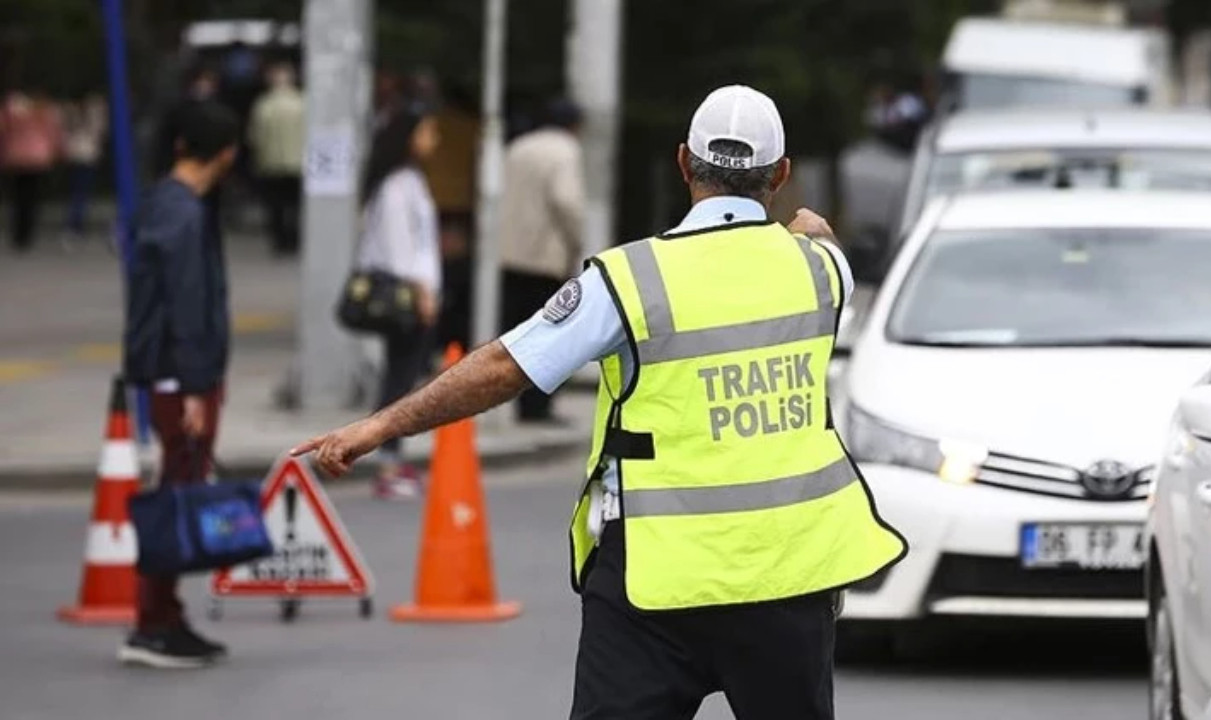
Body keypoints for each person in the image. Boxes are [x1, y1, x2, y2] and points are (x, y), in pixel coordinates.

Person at [294, 85, 907, 719]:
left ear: (681, 163)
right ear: (781, 174)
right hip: (789, 577)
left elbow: (507, 365)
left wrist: (381, 424)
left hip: (654, 581)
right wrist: (807, 229)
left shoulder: (628, 280)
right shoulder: (822, 271)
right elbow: (820, 235)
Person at [120, 102, 240, 668]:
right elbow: (187, 306)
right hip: (180, 378)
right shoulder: (185, 214)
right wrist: (195, 387)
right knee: (177, 493)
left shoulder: (162, 202)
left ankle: (165, 616)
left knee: (178, 486)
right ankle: (153, 623)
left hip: (169, 372)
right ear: (226, 154)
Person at [354, 106, 444, 499]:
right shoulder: (397, 185)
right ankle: (387, 460)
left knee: (403, 374)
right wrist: (422, 292)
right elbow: (400, 248)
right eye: (428, 132)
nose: (434, 141)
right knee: (399, 378)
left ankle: (392, 455)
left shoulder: (408, 180)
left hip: (414, 292)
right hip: (406, 295)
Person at [497, 97, 585, 424]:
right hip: (545, 256)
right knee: (549, 334)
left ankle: (519, 403)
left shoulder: (518, 147)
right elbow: (566, 199)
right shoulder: (565, 151)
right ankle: (538, 407)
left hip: (509, 253)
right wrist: (576, 241)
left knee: (516, 333)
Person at [248, 61, 305, 256]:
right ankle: (294, 239)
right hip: (298, 162)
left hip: (271, 163)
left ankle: (280, 240)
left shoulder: (264, 105)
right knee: (295, 204)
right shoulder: (302, 103)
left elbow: (255, 136)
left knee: (276, 205)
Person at [0, 87, 63, 252]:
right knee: (31, 197)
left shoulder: (12, 110)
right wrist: (55, 150)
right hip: (38, 158)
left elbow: (4, 130)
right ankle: (27, 234)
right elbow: (53, 133)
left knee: (18, 197)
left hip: (17, 157)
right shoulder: (44, 111)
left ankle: (18, 234)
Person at [61, 91, 108, 240]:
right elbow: (101, 130)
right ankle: (75, 222)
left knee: (76, 190)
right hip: (87, 154)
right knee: (82, 191)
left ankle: (74, 222)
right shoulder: (94, 112)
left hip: (75, 153)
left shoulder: (71, 112)